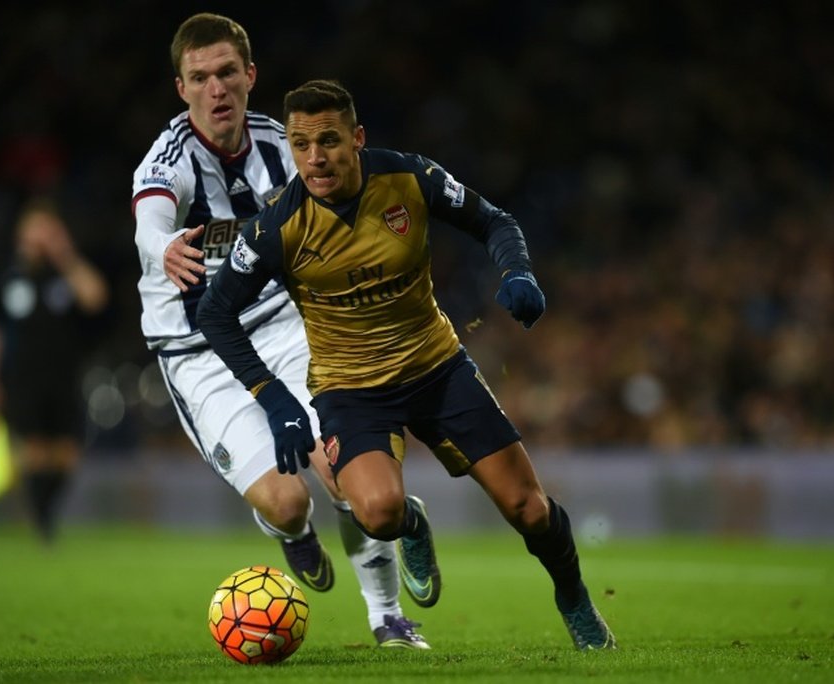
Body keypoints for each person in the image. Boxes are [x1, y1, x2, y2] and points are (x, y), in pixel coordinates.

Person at [197, 79, 617, 650]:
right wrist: (274, 398)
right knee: (378, 514)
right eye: (301, 145)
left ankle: (575, 600)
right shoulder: (277, 224)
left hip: (436, 367)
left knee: (529, 509)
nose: (315, 159)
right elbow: (216, 312)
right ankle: (410, 524)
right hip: (351, 391)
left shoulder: (409, 178)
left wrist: (516, 271)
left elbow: (495, 222)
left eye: (329, 141)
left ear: (357, 138)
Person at [131, 14, 428, 648]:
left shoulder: (282, 147)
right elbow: (148, 219)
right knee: (287, 501)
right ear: (181, 88)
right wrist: (161, 249)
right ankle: (292, 534)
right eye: (200, 78)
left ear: (249, 76)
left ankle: (388, 619)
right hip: (200, 352)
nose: (217, 90)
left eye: (227, 74)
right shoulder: (168, 160)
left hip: (287, 328)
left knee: (344, 467)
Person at [0, 197, 109, 542]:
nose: (40, 238)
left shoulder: (64, 275)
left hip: (64, 376)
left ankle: (44, 516)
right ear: (21, 235)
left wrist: (65, 255)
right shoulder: (7, 279)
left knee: (66, 454)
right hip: (22, 379)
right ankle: (42, 524)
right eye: (35, 230)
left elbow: (95, 297)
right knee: (33, 452)